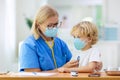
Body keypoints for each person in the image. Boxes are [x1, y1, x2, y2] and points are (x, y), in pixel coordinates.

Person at [19, 5, 78, 72]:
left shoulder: (61, 44)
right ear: (39, 25)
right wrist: (62, 69)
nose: (54, 28)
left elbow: (73, 65)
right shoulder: (29, 45)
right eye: (49, 25)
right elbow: (34, 76)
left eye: (56, 24)